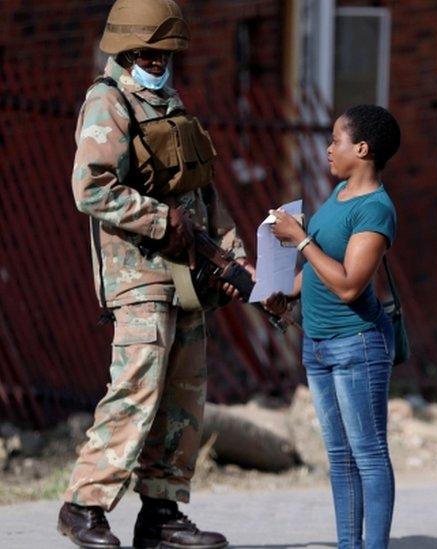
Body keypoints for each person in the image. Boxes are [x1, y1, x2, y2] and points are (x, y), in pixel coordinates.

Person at [59, 1, 249, 547]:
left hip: (187, 276)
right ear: (125, 49)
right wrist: (160, 220)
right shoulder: (108, 101)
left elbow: (199, 189)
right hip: (139, 277)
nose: (157, 61)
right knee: (136, 387)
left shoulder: (167, 102)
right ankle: (83, 505)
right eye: (147, 52)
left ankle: (161, 514)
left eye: (165, 53)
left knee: (183, 394)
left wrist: (231, 253)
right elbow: (91, 187)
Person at [268, 104, 401, 549]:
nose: (328, 149)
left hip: (356, 345)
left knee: (368, 454)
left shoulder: (375, 208)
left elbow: (348, 285)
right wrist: (286, 290)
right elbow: (322, 267)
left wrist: (300, 239)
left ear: (361, 148)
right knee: (339, 457)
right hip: (319, 344)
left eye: (336, 140)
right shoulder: (340, 192)